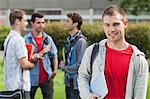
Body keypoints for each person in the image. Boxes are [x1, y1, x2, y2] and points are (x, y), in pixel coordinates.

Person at [78, 5, 149, 99]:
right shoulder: (92, 51)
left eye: (116, 24)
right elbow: (83, 76)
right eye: (107, 25)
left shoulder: (139, 60)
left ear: (125, 24)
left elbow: (139, 96)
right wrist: (88, 95)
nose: (111, 29)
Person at [24, 12, 58, 99]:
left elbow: (54, 55)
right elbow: (27, 60)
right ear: (32, 23)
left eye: (43, 22)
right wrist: (43, 51)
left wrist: (54, 70)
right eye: (38, 23)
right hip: (31, 78)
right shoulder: (26, 40)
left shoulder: (48, 38)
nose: (41, 25)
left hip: (47, 77)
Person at [4, 10, 35, 99]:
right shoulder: (19, 40)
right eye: (25, 21)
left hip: (10, 85)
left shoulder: (9, 38)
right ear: (17, 21)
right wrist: (33, 64)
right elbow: (24, 64)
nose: (27, 23)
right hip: (20, 88)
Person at [59, 12, 87, 99]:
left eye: (67, 21)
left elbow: (80, 65)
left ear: (75, 24)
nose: (65, 23)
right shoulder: (69, 40)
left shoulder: (81, 42)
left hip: (76, 83)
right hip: (69, 81)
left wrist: (64, 68)